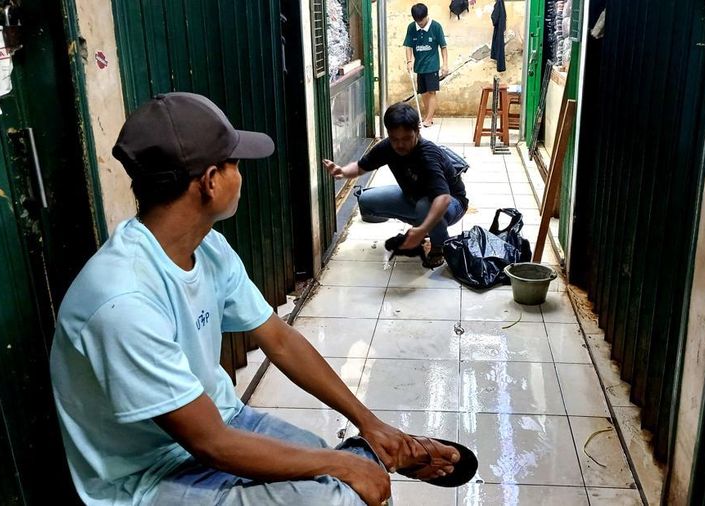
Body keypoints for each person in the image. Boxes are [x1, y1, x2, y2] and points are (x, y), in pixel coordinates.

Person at [49, 92, 473, 506]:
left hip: (225, 419)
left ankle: (367, 450)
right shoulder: (123, 302)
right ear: (211, 182)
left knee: (351, 479)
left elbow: (279, 339)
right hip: (151, 474)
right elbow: (210, 444)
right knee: (342, 491)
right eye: (234, 163)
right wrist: (343, 466)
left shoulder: (207, 247)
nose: (242, 174)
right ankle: (363, 456)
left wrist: (369, 421)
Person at [324, 103, 468, 268]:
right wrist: (342, 171)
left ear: (417, 131)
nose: (400, 145)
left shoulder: (428, 155)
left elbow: (443, 199)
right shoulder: (388, 147)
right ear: (389, 134)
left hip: (453, 204)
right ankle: (423, 225)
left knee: (424, 206)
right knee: (366, 200)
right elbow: (361, 166)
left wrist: (421, 230)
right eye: (395, 139)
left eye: (406, 139)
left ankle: (438, 246)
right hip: (413, 196)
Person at [404, 3, 448, 127]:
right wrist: (409, 61)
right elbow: (408, 46)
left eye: (422, 21)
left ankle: (429, 118)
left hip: (432, 66)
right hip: (419, 66)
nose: (420, 24)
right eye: (417, 21)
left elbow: (443, 47)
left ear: (426, 15)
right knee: (423, 92)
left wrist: (445, 64)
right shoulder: (412, 27)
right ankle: (428, 116)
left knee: (431, 92)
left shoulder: (436, 27)